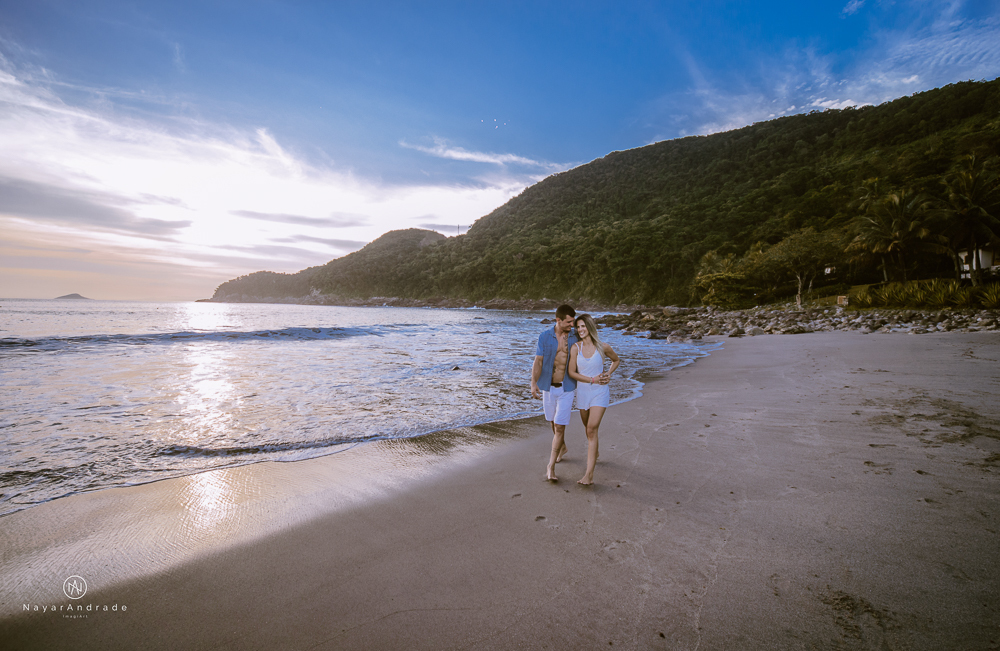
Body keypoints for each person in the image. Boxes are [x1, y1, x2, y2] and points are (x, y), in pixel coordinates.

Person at [567, 313, 620, 485]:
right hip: (583, 393)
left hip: (600, 392)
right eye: (578, 326)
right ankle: (595, 451)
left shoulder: (602, 347)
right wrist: (591, 379)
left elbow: (616, 360)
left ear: (590, 327)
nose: (580, 329)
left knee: (591, 429)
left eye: (583, 326)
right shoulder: (575, 348)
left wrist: (608, 374)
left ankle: (589, 475)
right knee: (588, 429)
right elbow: (571, 372)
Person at [531, 304, 578, 482]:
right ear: (558, 320)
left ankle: (550, 467)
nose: (571, 325)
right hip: (548, 387)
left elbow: (591, 347)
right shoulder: (544, 337)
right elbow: (538, 361)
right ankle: (562, 446)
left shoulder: (575, 336)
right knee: (552, 422)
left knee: (559, 426)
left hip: (567, 387)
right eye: (568, 322)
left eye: (573, 322)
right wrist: (533, 383)